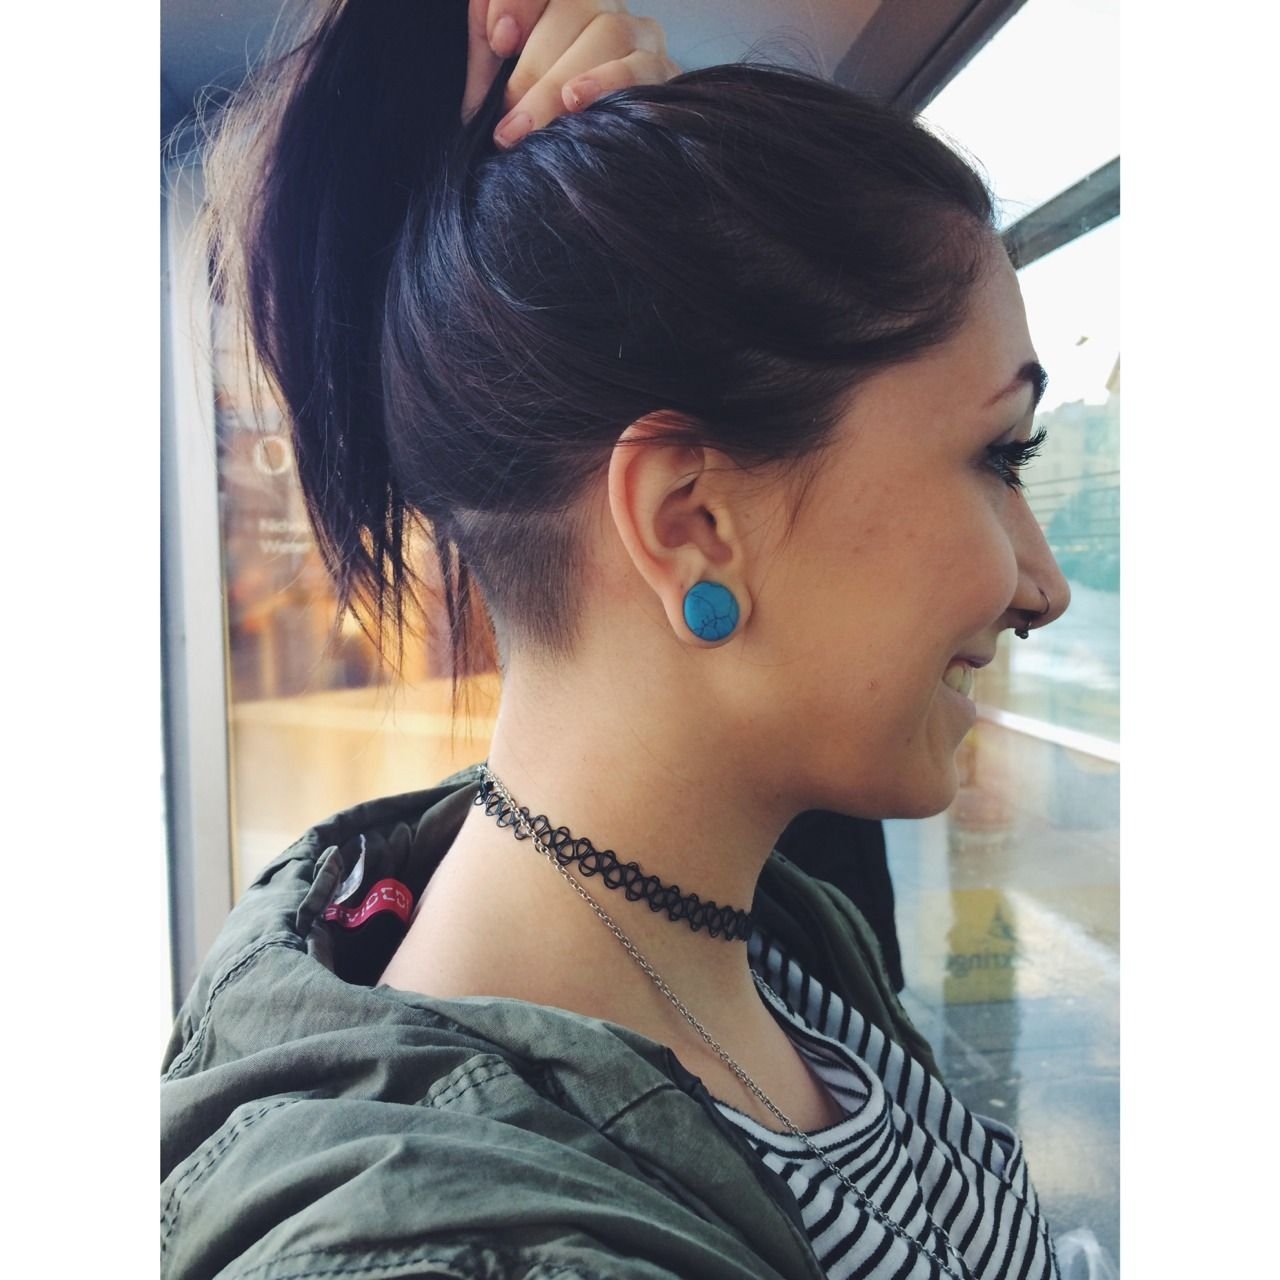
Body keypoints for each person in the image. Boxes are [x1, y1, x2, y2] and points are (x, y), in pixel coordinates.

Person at [161, 1, 1073, 1276]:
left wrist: (660, 205)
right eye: (996, 457)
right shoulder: (468, 1252)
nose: (1043, 585)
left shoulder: (763, 929)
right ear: (690, 520)